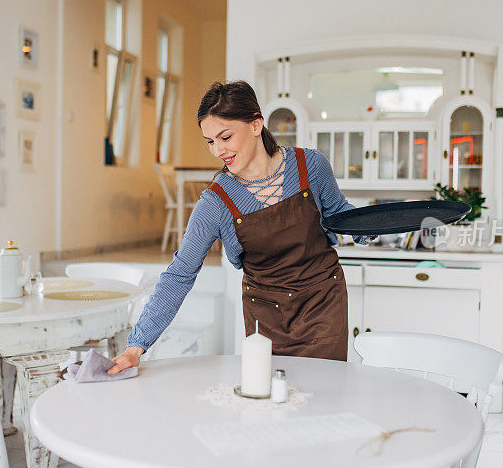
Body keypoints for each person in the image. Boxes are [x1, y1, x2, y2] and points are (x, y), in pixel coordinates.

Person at [108, 80, 369, 374]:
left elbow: (338, 212)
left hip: (323, 303)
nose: (217, 150)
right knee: (270, 399)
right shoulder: (216, 203)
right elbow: (179, 275)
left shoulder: (311, 165)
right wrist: (136, 346)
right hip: (267, 314)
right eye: (210, 141)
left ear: (256, 125)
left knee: (324, 392)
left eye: (225, 137)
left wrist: (370, 227)